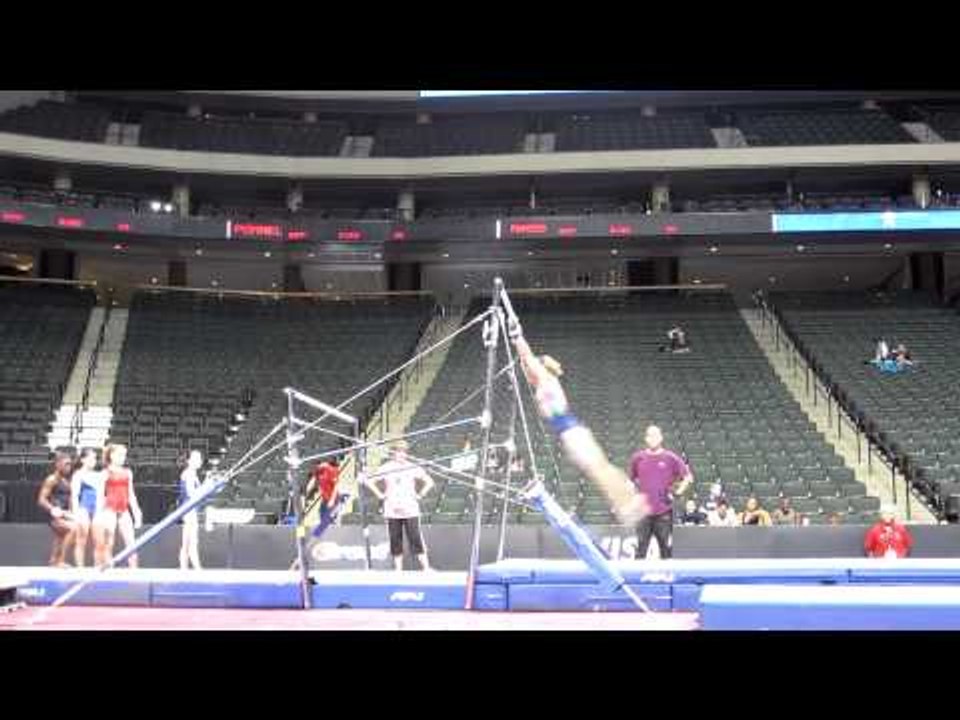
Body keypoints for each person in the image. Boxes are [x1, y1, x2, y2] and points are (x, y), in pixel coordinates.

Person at [511, 331, 646, 526]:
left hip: (572, 433)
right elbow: (527, 365)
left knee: (600, 471)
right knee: (600, 470)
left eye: (530, 372)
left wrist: (517, 338)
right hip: (572, 432)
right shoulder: (544, 383)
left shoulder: (546, 379)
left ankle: (629, 500)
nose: (528, 375)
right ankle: (627, 500)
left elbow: (528, 359)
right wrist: (524, 358)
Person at [363, 441, 434, 571]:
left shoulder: (412, 467)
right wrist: (380, 494)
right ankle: (398, 570)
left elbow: (429, 482)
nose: (401, 454)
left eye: (404, 452)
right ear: (393, 453)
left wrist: (420, 494)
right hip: (392, 509)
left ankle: (426, 568)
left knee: (415, 537)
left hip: (410, 509)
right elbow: (369, 481)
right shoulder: (386, 467)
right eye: (398, 452)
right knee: (395, 539)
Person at [628, 425, 693, 559]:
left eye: (656, 435)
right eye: (650, 435)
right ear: (646, 438)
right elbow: (630, 481)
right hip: (643, 513)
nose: (653, 438)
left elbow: (688, 477)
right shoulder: (637, 458)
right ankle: (638, 573)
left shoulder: (671, 458)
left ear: (661, 438)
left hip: (663, 513)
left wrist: (677, 493)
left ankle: (667, 572)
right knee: (641, 550)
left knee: (665, 550)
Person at [93, 444, 143, 568]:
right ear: (111, 456)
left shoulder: (128, 472)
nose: (123, 457)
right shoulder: (105, 473)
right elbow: (100, 495)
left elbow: (131, 494)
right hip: (109, 510)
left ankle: (134, 571)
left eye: (124, 455)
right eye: (120, 455)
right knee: (109, 543)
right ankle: (108, 571)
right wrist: (98, 514)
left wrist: (136, 512)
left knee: (131, 543)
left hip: (124, 510)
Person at [37, 450, 78, 567]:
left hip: (65, 513)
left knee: (60, 536)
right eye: (66, 464)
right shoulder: (51, 479)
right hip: (54, 515)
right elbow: (41, 499)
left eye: (70, 464)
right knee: (72, 529)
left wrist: (70, 512)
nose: (69, 467)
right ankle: (60, 561)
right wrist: (53, 510)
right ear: (58, 464)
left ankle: (53, 560)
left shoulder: (67, 480)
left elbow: (69, 498)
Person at [70, 447, 105, 567]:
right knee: (81, 540)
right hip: (83, 508)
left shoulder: (99, 475)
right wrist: (75, 514)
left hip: (97, 508)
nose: (93, 461)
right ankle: (80, 570)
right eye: (91, 458)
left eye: (95, 458)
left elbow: (101, 494)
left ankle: (98, 568)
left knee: (99, 542)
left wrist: (101, 509)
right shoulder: (78, 475)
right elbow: (74, 496)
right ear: (83, 460)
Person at [178, 450, 204, 570]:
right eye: (196, 458)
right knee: (192, 542)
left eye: (200, 458)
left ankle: (184, 569)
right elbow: (191, 493)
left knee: (187, 542)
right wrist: (206, 488)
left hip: (191, 510)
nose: (199, 461)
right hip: (189, 510)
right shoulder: (188, 473)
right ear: (189, 461)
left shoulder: (193, 474)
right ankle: (197, 569)